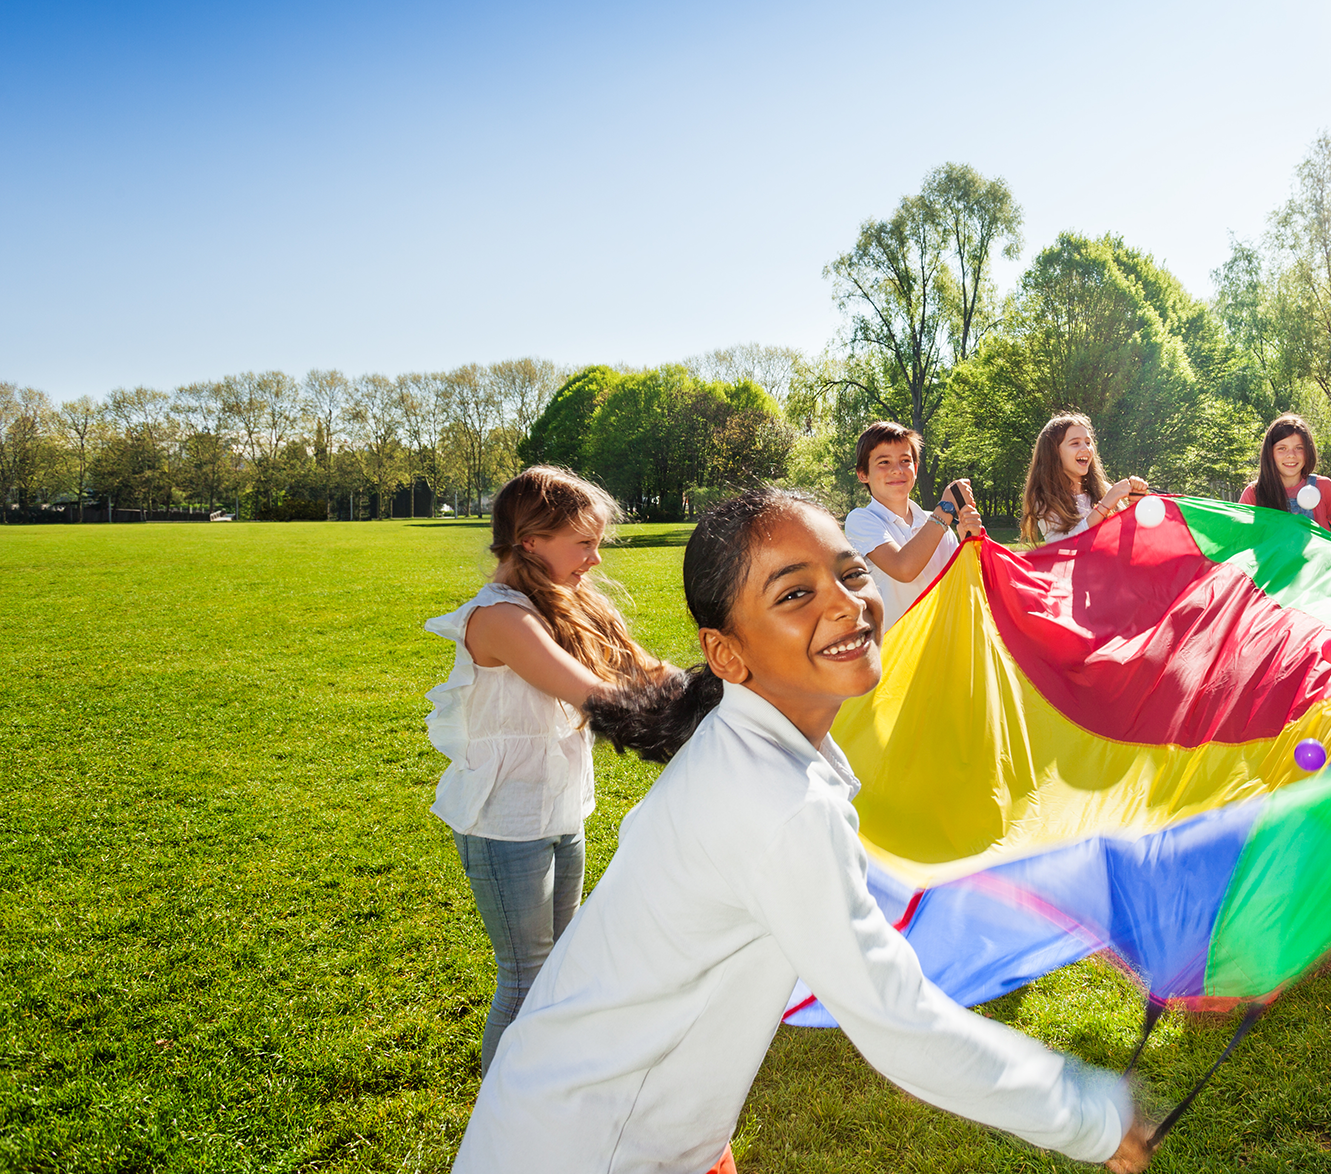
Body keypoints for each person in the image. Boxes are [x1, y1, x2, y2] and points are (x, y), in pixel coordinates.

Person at [452, 488, 1152, 1174]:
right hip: (589, 1145)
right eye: (794, 593)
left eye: (850, 573)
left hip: (607, 1123)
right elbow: (899, 1022)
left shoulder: (752, 748)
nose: (847, 602)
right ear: (725, 655)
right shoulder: (775, 801)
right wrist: (1092, 1115)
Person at [423, 466, 675, 1073]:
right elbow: (596, 695)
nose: (594, 559)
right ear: (530, 540)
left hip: (562, 807)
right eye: (583, 543)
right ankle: (502, 1126)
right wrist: (683, 728)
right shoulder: (501, 618)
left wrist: (722, 685)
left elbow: (647, 673)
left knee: (558, 962)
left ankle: (547, 1092)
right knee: (526, 974)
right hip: (507, 822)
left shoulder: (567, 603)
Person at [843, 420, 983, 631]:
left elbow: (965, 585)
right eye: (884, 462)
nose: (897, 470)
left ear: (915, 468)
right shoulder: (861, 519)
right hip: (897, 652)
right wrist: (945, 509)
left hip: (942, 642)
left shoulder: (936, 525)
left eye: (905, 460)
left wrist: (969, 542)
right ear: (863, 474)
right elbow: (904, 568)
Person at [1237, 412, 1331, 547]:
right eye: (1282, 448)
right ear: (1270, 454)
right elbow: (1238, 538)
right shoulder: (1254, 493)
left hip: (1317, 566)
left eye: (1299, 448)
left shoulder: (1323, 487)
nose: (1291, 455)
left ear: (1308, 451)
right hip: (1274, 568)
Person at [1019, 412, 1148, 546]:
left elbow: (1129, 537)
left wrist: (1134, 503)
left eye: (1088, 442)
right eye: (1075, 443)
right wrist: (1104, 505)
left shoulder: (1103, 489)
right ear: (1054, 453)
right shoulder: (1044, 496)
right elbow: (1064, 544)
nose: (1086, 449)